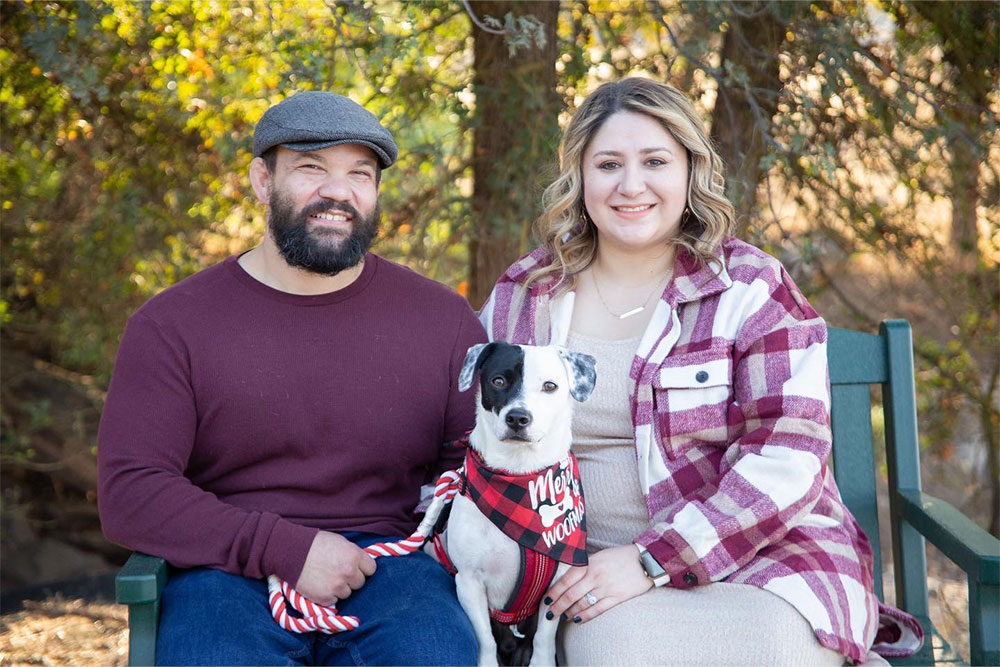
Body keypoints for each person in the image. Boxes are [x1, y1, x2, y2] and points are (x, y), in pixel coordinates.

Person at [478, 78, 923, 665]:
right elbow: (470, 435)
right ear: (579, 177)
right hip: (591, 574)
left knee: (768, 652)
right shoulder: (527, 294)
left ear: (690, 169)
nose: (630, 185)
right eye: (608, 164)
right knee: (622, 656)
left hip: (762, 558)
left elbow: (788, 456)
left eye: (655, 161)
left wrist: (653, 559)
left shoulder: (750, 288)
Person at [97, 91, 485, 665]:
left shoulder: (441, 320)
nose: (338, 191)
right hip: (224, 571)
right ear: (262, 180)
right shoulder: (172, 325)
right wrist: (284, 548)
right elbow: (131, 491)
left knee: (433, 650)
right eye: (311, 168)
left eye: (360, 173)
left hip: (394, 568)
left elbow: (475, 463)